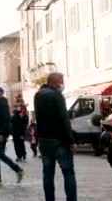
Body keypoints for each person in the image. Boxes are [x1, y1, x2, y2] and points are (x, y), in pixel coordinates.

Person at [34, 72, 77, 201]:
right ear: (54, 82)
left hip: (45, 140)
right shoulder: (57, 95)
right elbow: (64, 119)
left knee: (48, 174)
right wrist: (71, 141)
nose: (62, 84)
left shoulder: (38, 95)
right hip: (59, 141)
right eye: (61, 81)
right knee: (68, 172)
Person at [0, 86, 24, 186]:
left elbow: (5, 120)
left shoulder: (2, 104)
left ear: (1, 92)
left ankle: (18, 170)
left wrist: (2, 133)